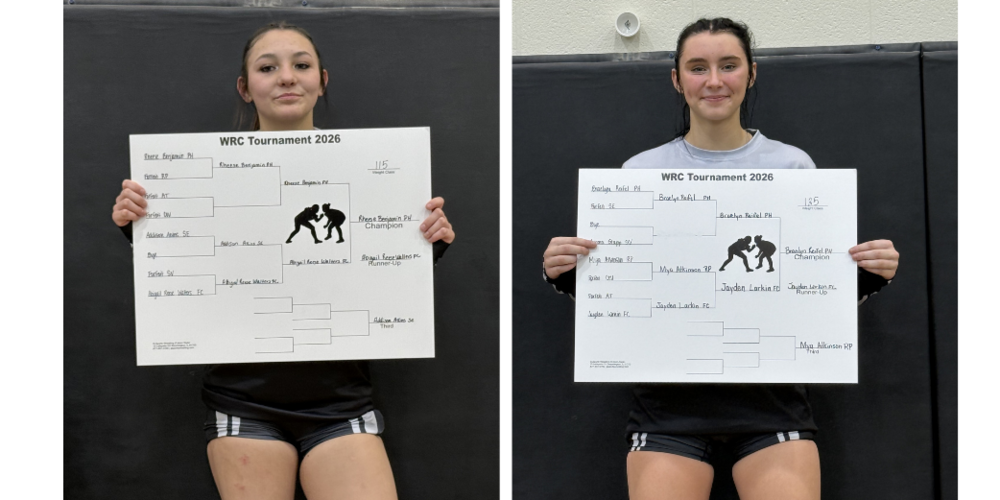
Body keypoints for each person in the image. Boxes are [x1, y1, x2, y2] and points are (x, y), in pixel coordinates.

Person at [542, 18, 899, 500]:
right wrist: (565, 274)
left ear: (751, 74)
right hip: (668, 408)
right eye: (698, 67)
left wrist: (865, 276)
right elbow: (623, 299)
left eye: (728, 66)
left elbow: (810, 297)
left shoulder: (793, 166)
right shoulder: (640, 172)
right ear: (676, 79)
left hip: (770, 405)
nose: (714, 80)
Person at [111, 22, 455, 500]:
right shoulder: (197, 180)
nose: (287, 77)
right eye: (268, 68)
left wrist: (423, 246)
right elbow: (187, 276)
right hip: (243, 400)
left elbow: (382, 279)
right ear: (245, 88)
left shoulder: (378, 172)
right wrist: (145, 229)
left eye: (301, 65)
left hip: (339, 402)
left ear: (322, 79)